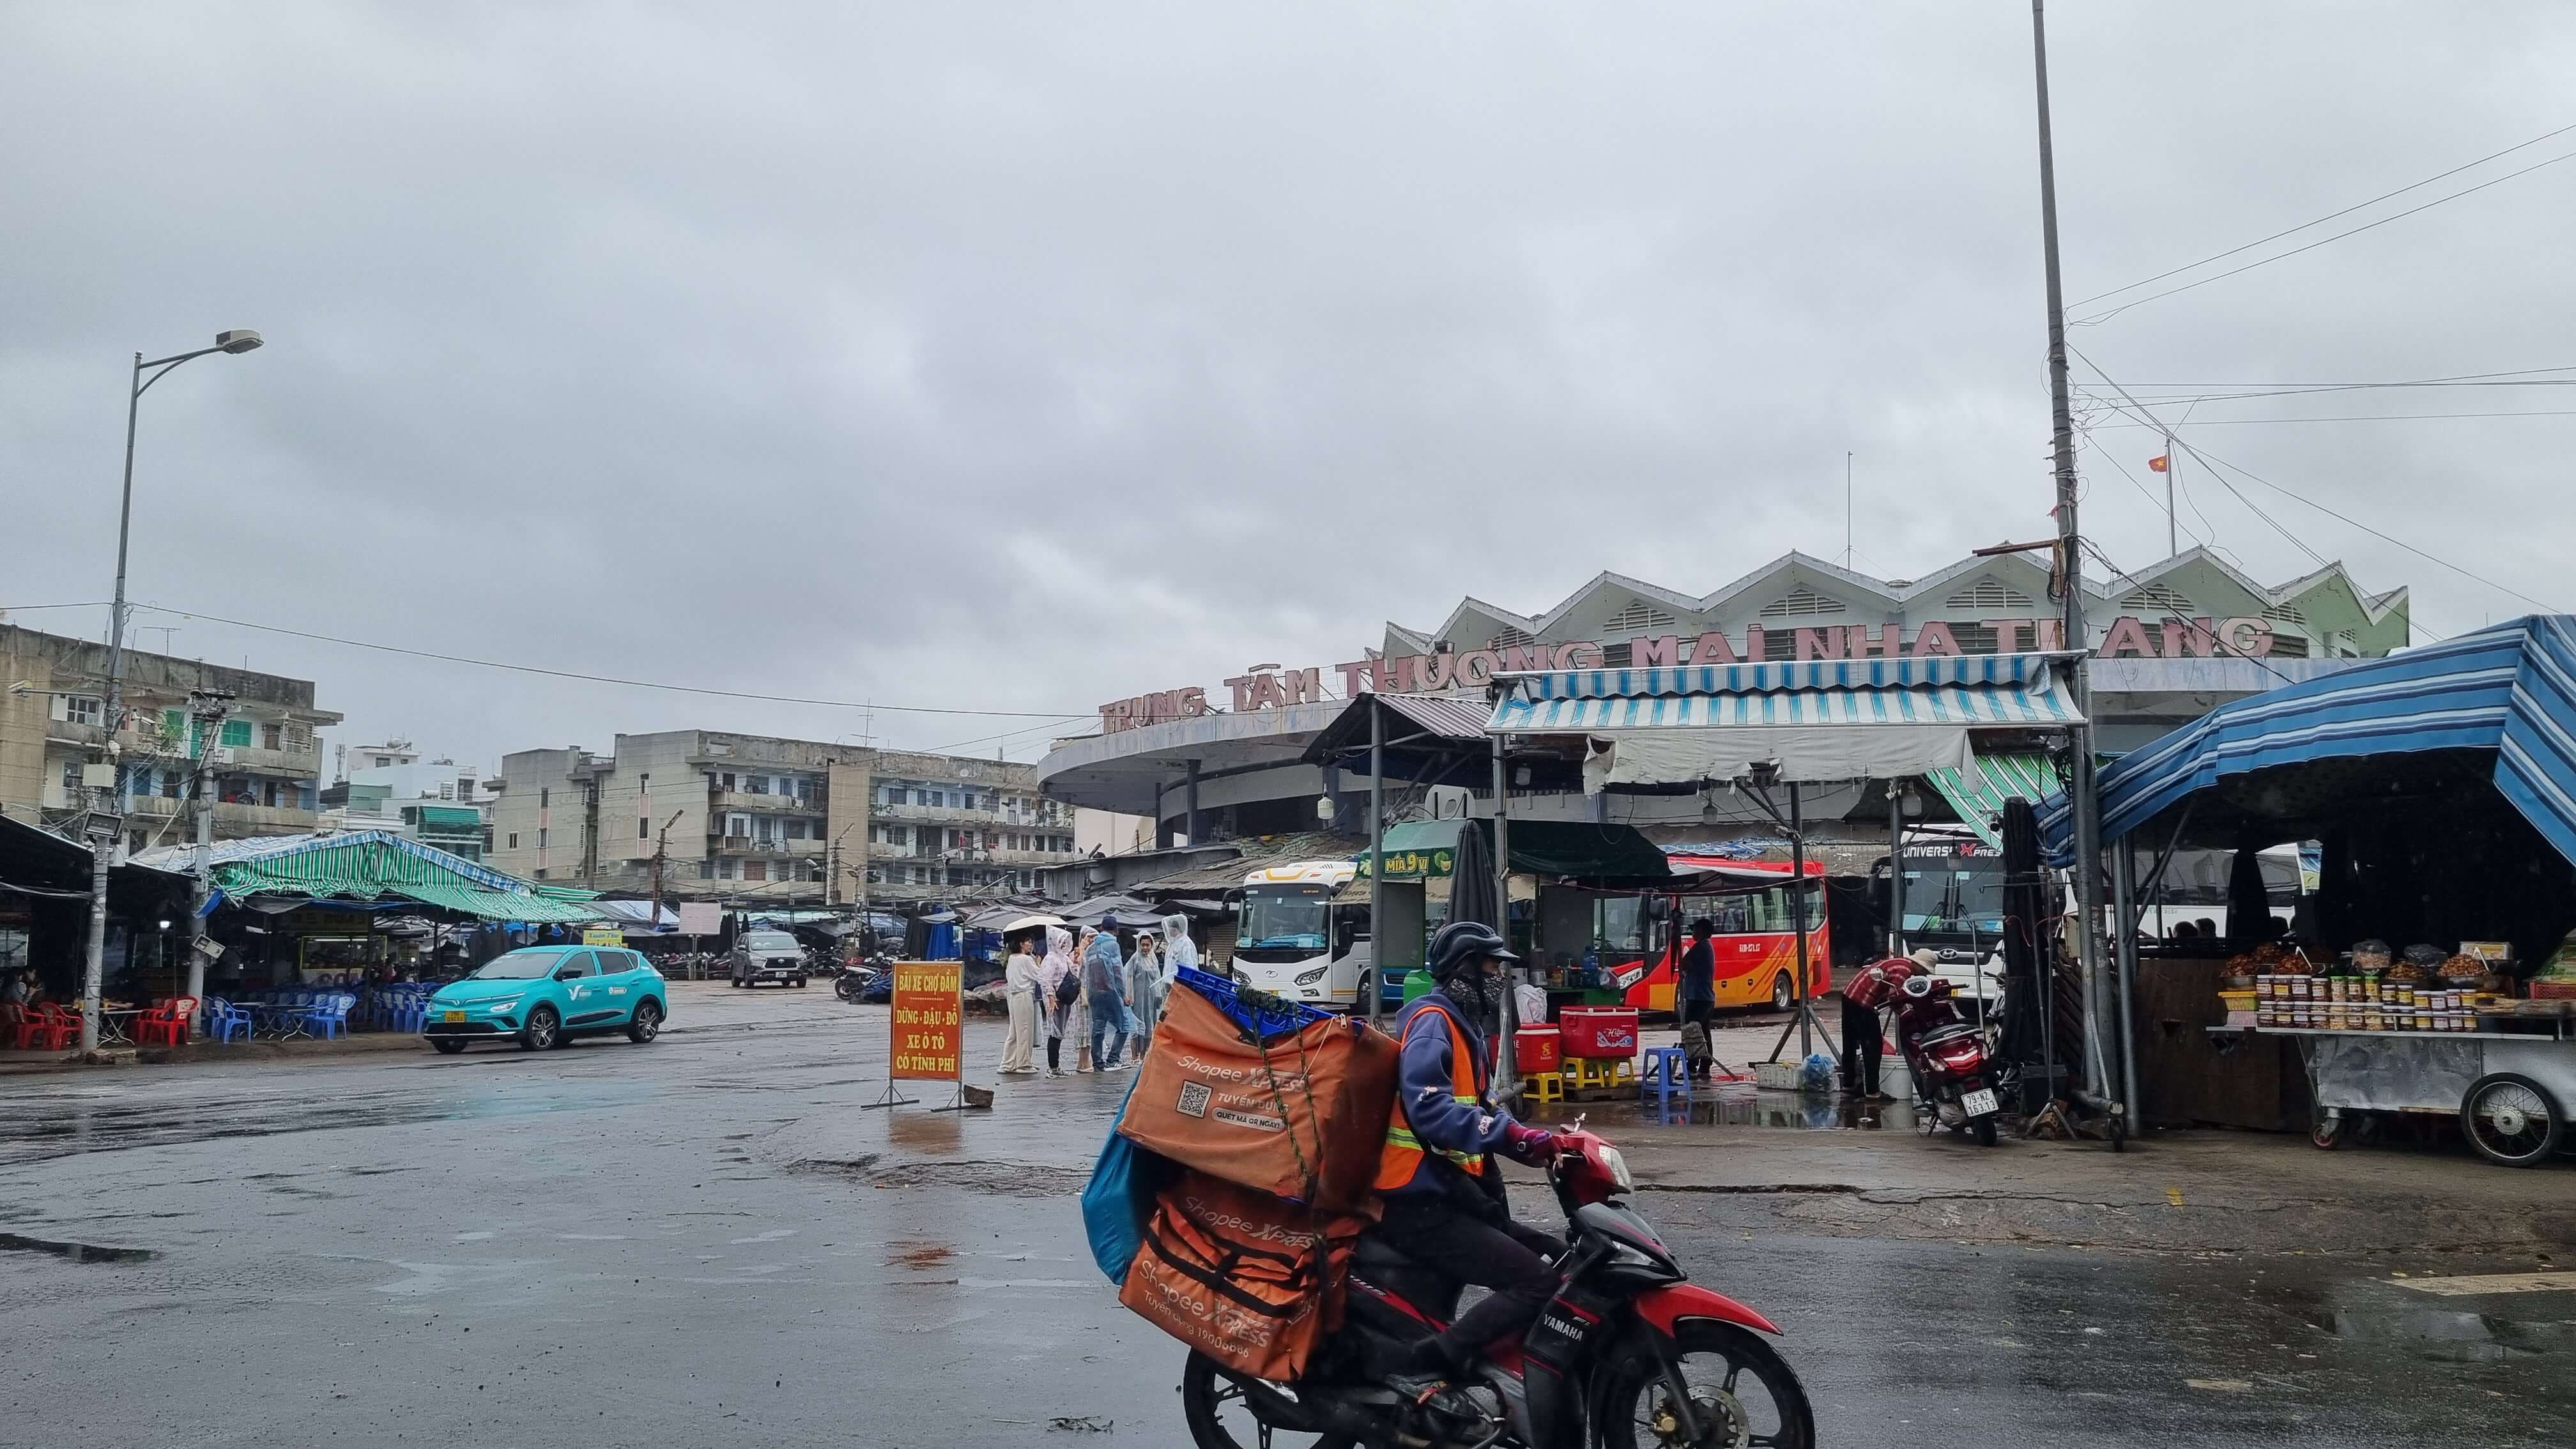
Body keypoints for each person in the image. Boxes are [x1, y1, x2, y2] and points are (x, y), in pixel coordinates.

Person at [1368, 920, 1566, 1379]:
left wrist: (1535, 1144)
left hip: (1449, 1193)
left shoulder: (1463, 1028)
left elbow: (1484, 1109)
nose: (1500, 979)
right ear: (1465, 971)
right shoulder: (1433, 1025)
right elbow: (1430, 1110)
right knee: (1536, 1282)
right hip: (1416, 1201)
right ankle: (1433, 1362)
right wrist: (1511, 1137)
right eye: (1493, 968)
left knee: (1560, 1255)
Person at [1084, 924, 1132, 1071]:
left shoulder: (1091, 948)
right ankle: (1113, 1059)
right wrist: (1123, 994)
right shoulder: (1113, 945)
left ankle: (1098, 1063)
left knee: (1098, 1027)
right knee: (1124, 1026)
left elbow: (1088, 974)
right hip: (1110, 993)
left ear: (1101, 928)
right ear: (1116, 930)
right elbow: (1117, 972)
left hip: (1094, 994)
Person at [1675, 918, 1717, 1082]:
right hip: (1704, 998)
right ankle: (1704, 1067)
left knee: (1692, 1033)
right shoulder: (1706, 948)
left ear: (1701, 932)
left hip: (1699, 998)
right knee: (1703, 1032)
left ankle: (1692, 1067)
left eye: (1695, 930)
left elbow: (1685, 963)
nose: (1693, 933)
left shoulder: (1700, 947)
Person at [1038, 926, 1081, 1076]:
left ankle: (1055, 1066)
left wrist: (1075, 960)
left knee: (1060, 1032)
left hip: (1066, 998)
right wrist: (1051, 997)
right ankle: (1053, 1066)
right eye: (1061, 941)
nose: (1064, 944)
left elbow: (1073, 973)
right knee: (1055, 1032)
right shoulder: (1050, 959)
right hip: (1057, 999)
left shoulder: (1064, 958)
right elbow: (1045, 979)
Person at [999, 933, 1041, 1074]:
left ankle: (1008, 1063)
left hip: (1012, 995)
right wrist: (1038, 963)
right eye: (1028, 942)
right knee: (1025, 1030)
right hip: (1024, 995)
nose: (1031, 945)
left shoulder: (1012, 958)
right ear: (1021, 944)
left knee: (1014, 1031)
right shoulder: (1026, 959)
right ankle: (1023, 1064)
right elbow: (1039, 975)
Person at [1125, 931, 1166, 1057]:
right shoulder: (1135, 959)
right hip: (1138, 999)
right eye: (1143, 945)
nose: (1145, 948)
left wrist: (1159, 995)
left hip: (1151, 1000)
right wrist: (1130, 996)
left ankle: (1145, 1055)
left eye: (1147, 945)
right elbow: (1129, 978)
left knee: (1149, 1024)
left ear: (1152, 945)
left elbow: (1158, 978)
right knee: (1138, 1026)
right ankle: (1135, 1056)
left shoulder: (1153, 959)